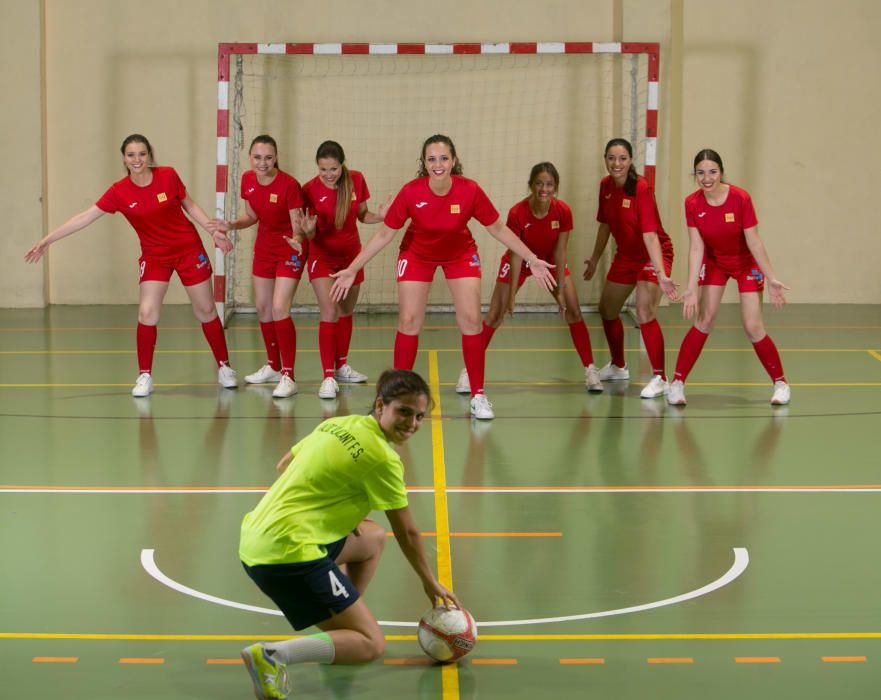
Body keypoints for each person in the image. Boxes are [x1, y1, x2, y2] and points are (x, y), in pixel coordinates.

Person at [239, 369, 460, 699]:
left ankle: (342, 633)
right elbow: (408, 532)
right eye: (404, 411)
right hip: (288, 554)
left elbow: (285, 465)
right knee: (372, 644)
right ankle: (274, 655)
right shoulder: (383, 458)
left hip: (256, 537)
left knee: (371, 539)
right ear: (381, 404)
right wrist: (429, 581)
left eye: (419, 417)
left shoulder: (338, 424)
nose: (412, 423)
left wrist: (334, 507)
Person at [330, 134, 556, 421]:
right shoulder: (412, 191)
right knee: (409, 321)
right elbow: (386, 233)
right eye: (432, 159)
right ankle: (398, 397)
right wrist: (352, 267)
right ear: (424, 163)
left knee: (472, 320)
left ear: (454, 161)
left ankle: (478, 395)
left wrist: (531, 258)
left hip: (459, 253)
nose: (438, 164)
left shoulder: (469, 190)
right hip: (416, 254)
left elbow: (497, 228)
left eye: (444, 158)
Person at [24, 134, 237, 397]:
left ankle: (224, 367)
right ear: (124, 158)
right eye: (131, 155)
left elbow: (189, 205)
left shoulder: (168, 176)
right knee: (147, 313)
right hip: (155, 256)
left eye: (142, 154)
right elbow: (85, 217)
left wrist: (213, 232)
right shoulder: (119, 192)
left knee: (205, 309)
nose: (137, 159)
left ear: (149, 155)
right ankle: (145, 375)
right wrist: (47, 240)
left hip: (188, 250)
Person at [455, 162, 603, 395]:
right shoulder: (517, 212)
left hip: (550, 261)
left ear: (555, 187)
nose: (544, 189)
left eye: (549, 185)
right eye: (539, 184)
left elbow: (561, 251)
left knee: (573, 310)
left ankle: (591, 370)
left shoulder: (562, 211)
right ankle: (468, 372)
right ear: (531, 186)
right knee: (495, 314)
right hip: (521, 261)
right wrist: (512, 296)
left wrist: (561, 290)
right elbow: (515, 255)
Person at [668, 149, 790, 406]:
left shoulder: (740, 198)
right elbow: (696, 247)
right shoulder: (692, 203)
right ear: (695, 175)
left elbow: (754, 242)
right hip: (715, 262)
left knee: (753, 326)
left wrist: (771, 278)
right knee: (704, 320)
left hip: (746, 264)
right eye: (700, 173)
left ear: (721, 172)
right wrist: (691, 287)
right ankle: (677, 383)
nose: (706, 178)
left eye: (712, 172)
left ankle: (781, 383)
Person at [583, 138, 677, 399]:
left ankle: (660, 377)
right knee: (607, 309)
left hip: (653, 254)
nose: (617, 163)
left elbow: (650, 237)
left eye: (622, 158)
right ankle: (618, 366)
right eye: (611, 158)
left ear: (631, 160)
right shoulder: (605, 187)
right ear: (605, 159)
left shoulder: (641, 188)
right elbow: (605, 225)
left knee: (645, 310)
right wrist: (594, 258)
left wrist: (661, 274)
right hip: (626, 256)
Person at [214, 135, 306, 399]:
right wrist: (231, 224)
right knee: (263, 307)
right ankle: (274, 366)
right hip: (264, 248)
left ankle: (289, 375)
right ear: (250, 158)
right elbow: (252, 216)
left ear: (275, 157)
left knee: (279, 308)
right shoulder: (248, 180)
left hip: (291, 247)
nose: (262, 162)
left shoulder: (289, 185)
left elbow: (297, 227)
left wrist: (298, 240)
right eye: (257, 157)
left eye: (268, 157)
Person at [299, 141, 389, 400]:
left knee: (346, 311)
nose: (329, 174)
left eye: (334, 168)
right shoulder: (309, 190)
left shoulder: (356, 180)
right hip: (322, 257)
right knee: (329, 310)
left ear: (342, 165)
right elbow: (311, 232)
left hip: (352, 257)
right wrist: (308, 231)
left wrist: (381, 216)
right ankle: (328, 376)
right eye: (323, 169)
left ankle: (341, 366)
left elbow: (362, 215)